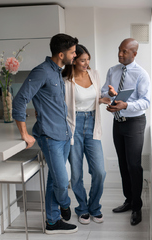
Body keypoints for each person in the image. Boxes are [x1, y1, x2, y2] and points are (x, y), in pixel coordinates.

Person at [12, 33, 78, 234]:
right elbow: (20, 100)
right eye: (72, 52)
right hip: (50, 137)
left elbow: (50, 102)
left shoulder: (58, 71)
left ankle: (52, 221)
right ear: (61, 54)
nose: (75, 56)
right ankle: (64, 204)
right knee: (60, 180)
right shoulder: (41, 71)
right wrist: (24, 133)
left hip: (64, 134)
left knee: (53, 179)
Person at [101, 38, 150, 226]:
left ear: (134, 54)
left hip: (134, 123)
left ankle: (137, 207)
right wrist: (110, 95)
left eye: (124, 51)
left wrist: (126, 104)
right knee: (123, 164)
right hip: (118, 122)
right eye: (119, 50)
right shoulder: (113, 71)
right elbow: (105, 91)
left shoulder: (141, 74)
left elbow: (146, 101)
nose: (120, 54)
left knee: (134, 166)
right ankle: (129, 200)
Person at [62, 44, 110, 225]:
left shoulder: (95, 75)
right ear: (73, 61)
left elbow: (93, 98)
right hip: (73, 127)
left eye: (88, 60)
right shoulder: (66, 79)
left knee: (99, 171)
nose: (86, 63)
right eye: (82, 60)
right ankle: (82, 208)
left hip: (92, 125)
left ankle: (94, 207)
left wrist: (103, 100)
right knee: (76, 174)